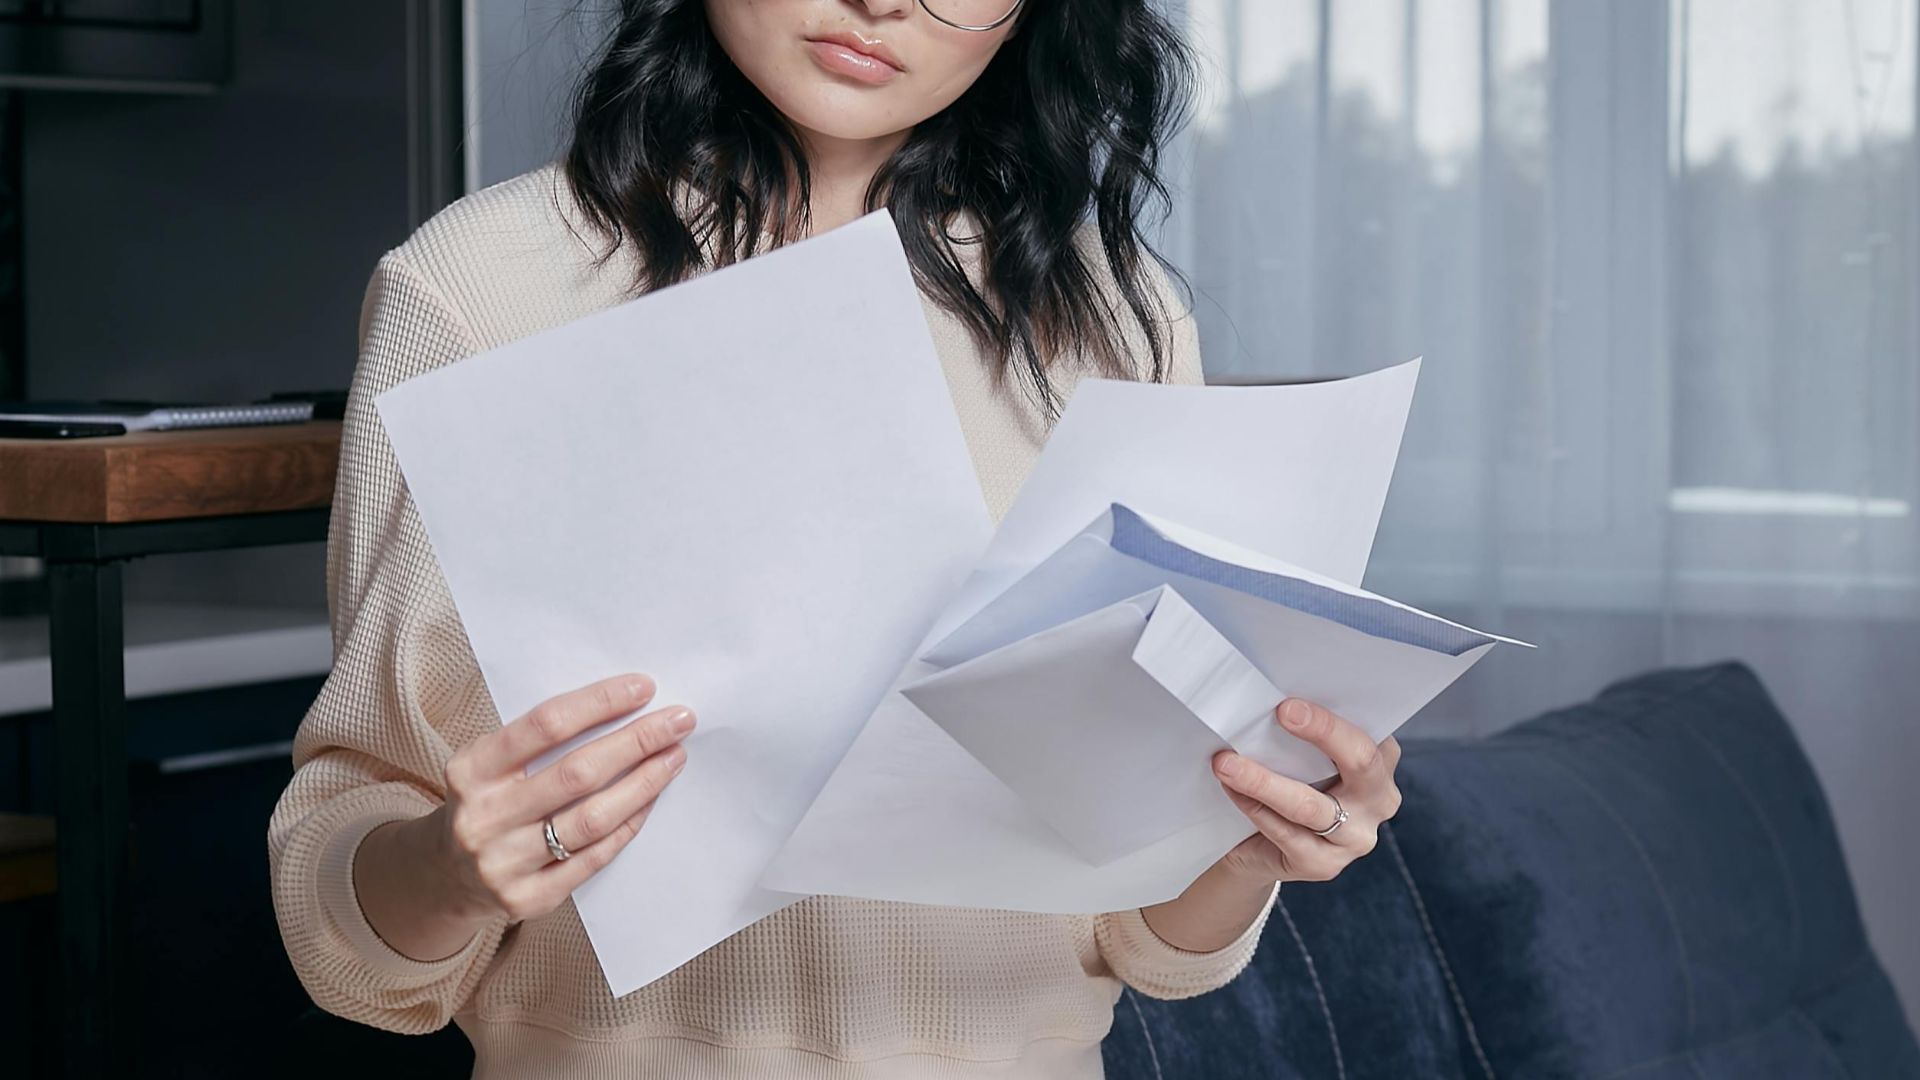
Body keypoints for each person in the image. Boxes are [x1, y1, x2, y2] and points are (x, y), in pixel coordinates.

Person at [268, 1, 1405, 1076]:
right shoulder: (482, 288)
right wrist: (452, 870)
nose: (882, 3)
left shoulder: (1117, 317)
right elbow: (351, 930)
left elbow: (1149, 941)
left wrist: (1250, 839)